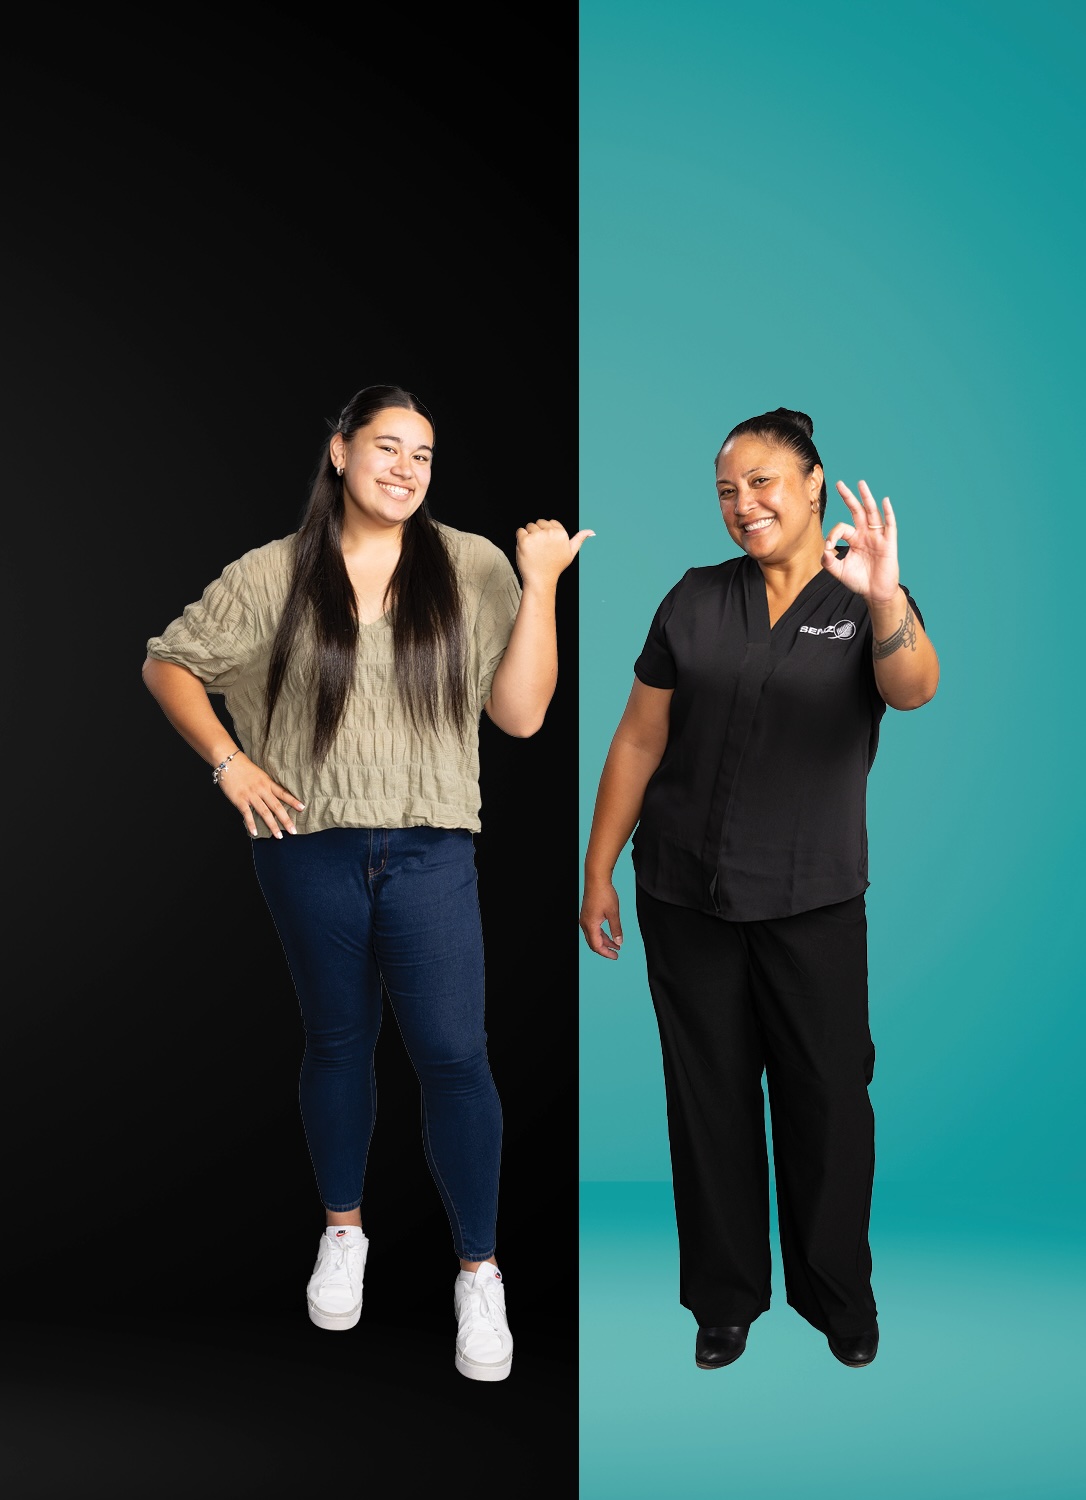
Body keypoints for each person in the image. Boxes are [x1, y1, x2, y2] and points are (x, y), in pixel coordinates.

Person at [140, 384, 584, 1382]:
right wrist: (229, 762)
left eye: (424, 455)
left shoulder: (471, 566)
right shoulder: (272, 574)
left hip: (431, 851)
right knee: (337, 1043)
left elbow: (519, 716)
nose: (407, 469)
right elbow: (168, 662)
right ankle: (344, 1233)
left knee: (453, 1055)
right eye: (388, 447)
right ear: (339, 452)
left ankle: (481, 1273)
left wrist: (542, 581)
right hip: (306, 847)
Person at [580, 407, 938, 1371]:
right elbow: (639, 737)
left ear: (815, 484)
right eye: (727, 491)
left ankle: (839, 1298)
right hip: (685, 896)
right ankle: (725, 1299)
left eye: (763, 483)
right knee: (710, 1102)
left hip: (812, 900)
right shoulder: (693, 598)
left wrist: (888, 593)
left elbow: (914, 690)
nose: (744, 505)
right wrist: (598, 866)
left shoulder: (863, 593)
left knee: (829, 1101)